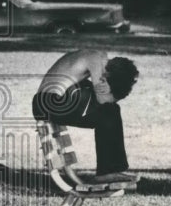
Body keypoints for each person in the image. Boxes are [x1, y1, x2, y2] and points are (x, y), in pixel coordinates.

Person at [31, 49, 139, 181]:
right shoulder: (96, 59)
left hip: (46, 102)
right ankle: (108, 171)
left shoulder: (97, 56)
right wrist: (116, 93)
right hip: (49, 101)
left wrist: (110, 92)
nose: (103, 80)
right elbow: (102, 99)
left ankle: (110, 170)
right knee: (110, 110)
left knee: (109, 111)